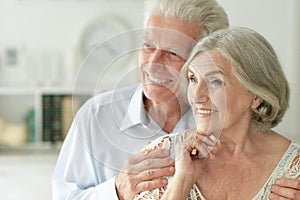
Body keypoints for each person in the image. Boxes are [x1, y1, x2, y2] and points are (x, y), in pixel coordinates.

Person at [52, 0, 300, 199]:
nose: (153, 64)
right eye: (148, 46)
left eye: (173, 53)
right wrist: (117, 191)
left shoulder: (232, 121)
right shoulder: (96, 116)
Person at [134, 27, 300, 200]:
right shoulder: (161, 155)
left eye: (215, 82)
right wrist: (181, 183)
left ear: (256, 96)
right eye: (193, 79)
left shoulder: (293, 168)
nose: (197, 96)